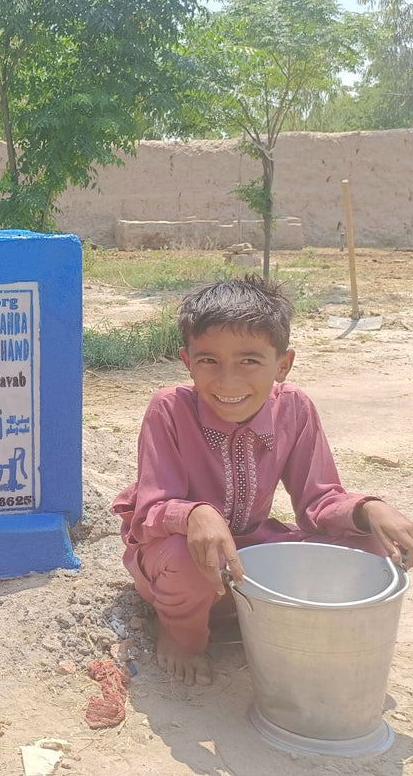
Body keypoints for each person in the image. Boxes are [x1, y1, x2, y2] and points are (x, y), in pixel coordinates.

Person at [113, 275, 413, 686]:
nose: (228, 380)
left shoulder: (295, 407)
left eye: (249, 361)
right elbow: (150, 508)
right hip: (174, 558)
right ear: (187, 362)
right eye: (208, 361)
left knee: (369, 544)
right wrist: (195, 514)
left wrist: (368, 509)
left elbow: (319, 501)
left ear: (282, 365)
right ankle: (181, 634)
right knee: (187, 560)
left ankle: (261, 620)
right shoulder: (169, 409)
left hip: (249, 550)